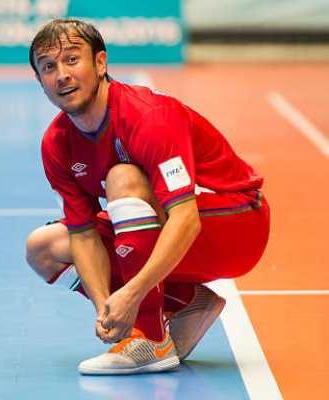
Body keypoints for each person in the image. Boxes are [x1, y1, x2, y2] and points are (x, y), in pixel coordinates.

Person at [24, 19, 270, 375]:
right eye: (49, 67)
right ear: (40, 81)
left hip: (235, 222)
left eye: (72, 60)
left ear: (100, 63)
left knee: (123, 178)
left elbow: (186, 218)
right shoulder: (57, 143)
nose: (62, 75)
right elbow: (84, 234)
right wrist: (105, 307)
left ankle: (151, 338)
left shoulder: (149, 117)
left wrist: (133, 295)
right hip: (171, 222)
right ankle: (187, 302)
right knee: (44, 248)